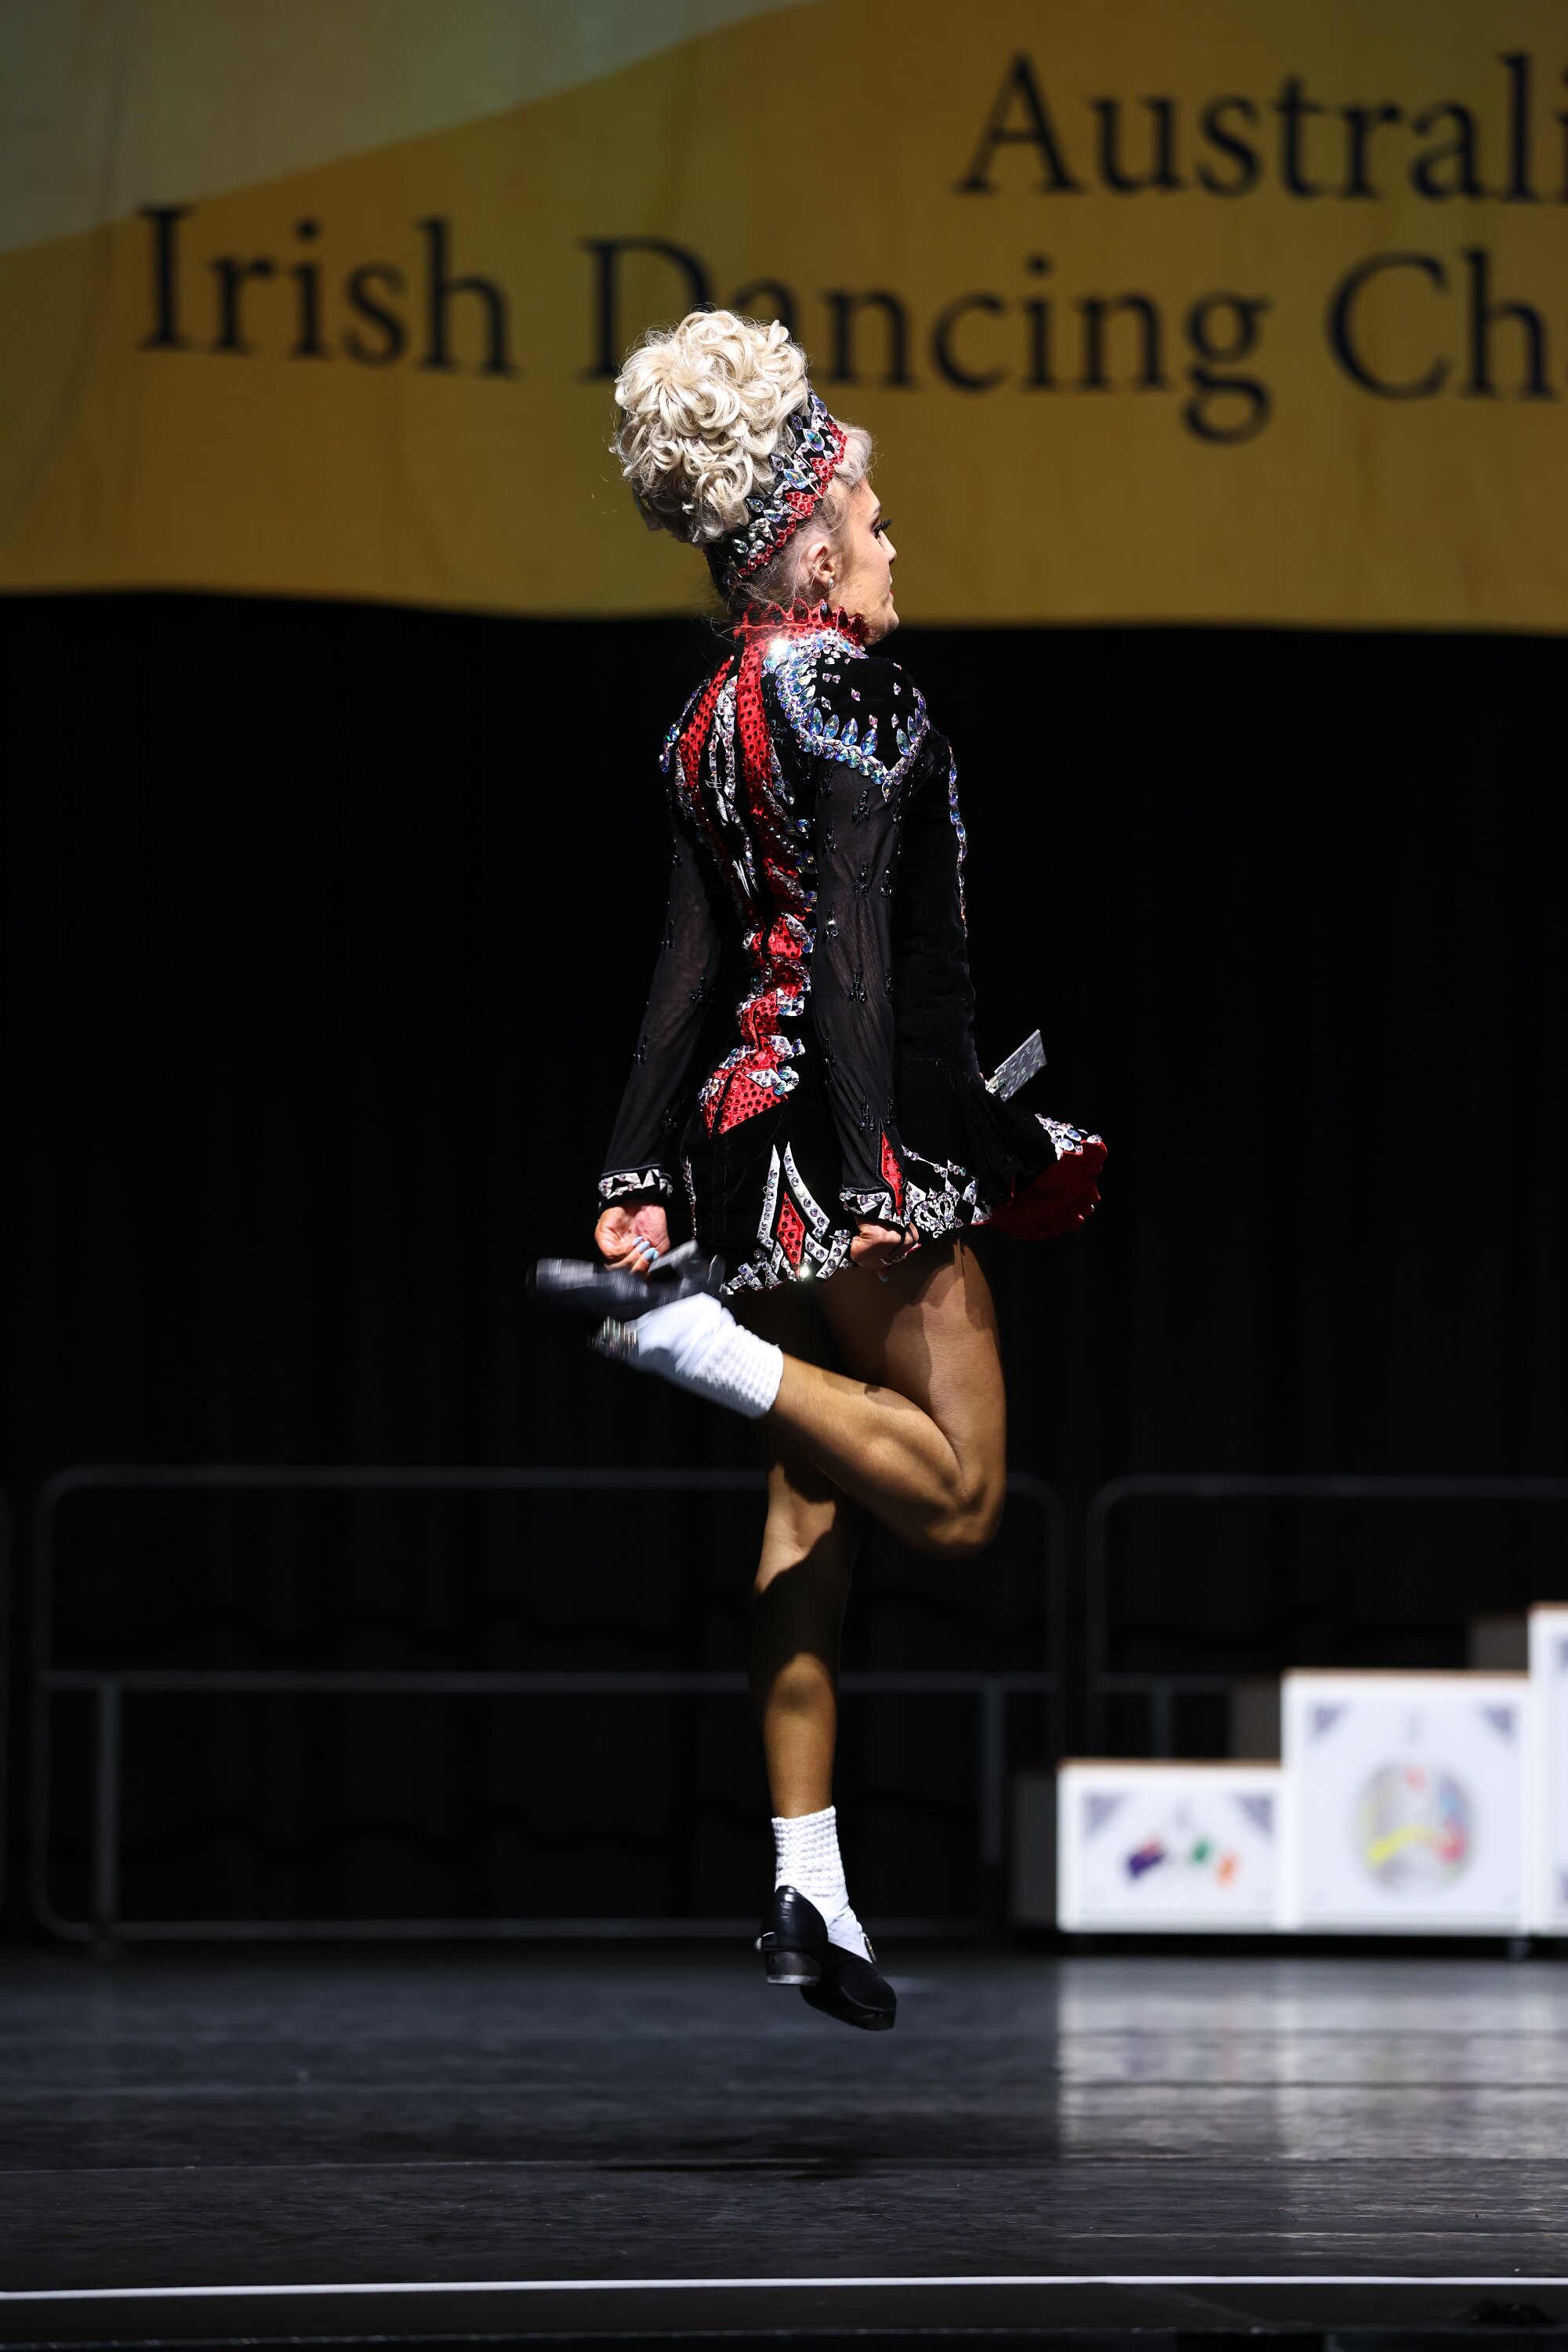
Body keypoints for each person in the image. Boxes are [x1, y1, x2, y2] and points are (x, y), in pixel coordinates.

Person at [535, 310, 1103, 2031]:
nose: (893, 540)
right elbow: (848, 944)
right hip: (854, 1138)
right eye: (875, 513)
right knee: (964, 1495)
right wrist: (873, 1177)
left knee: (814, 1506)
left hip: (740, 1143)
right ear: (813, 544)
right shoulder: (848, 691)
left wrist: (636, 1171)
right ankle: (694, 1344)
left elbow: (684, 967)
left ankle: (808, 1885)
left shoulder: (710, 713)